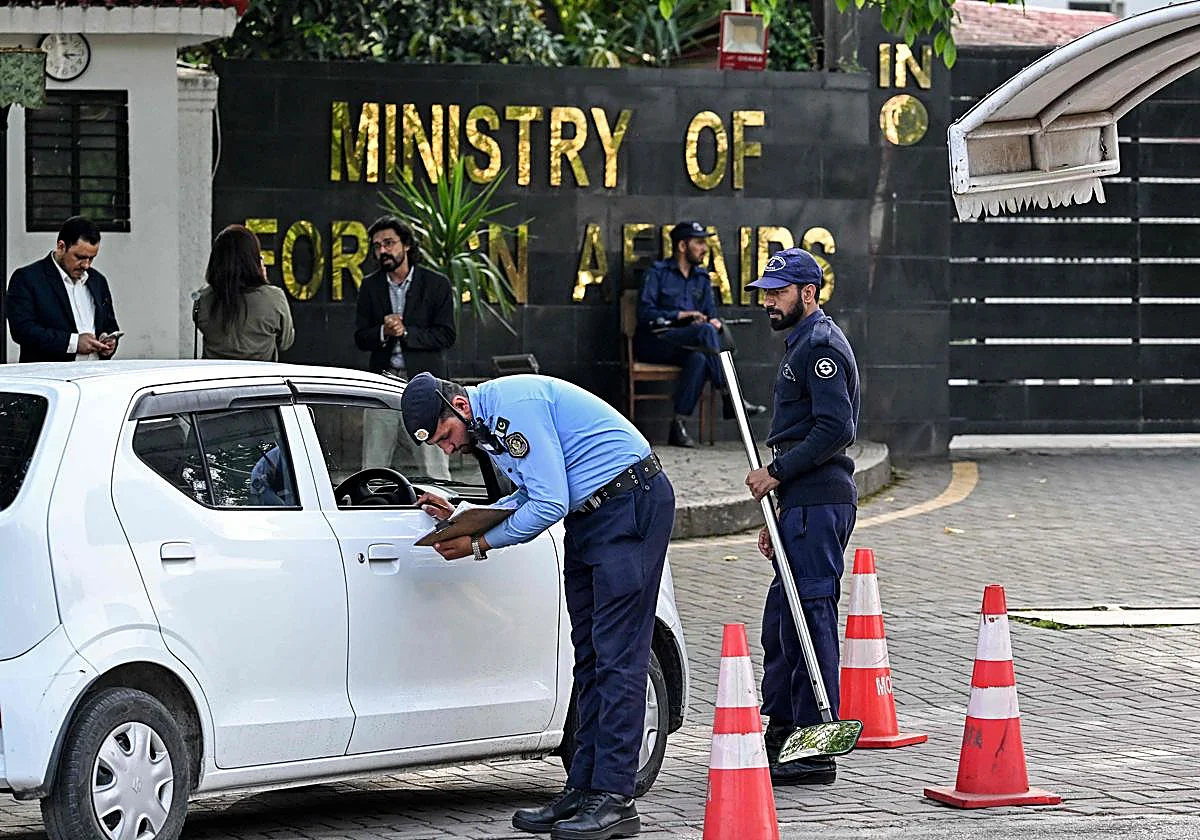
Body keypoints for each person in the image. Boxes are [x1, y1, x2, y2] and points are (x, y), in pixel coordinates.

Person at [401, 372, 674, 840]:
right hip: (591, 518)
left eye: (446, 436)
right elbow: (533, 492)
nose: (447, 450)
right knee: (588, 658)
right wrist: (464, 515)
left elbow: (549, 503)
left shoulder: (513, 408)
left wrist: (479, 543)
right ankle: (584, 787)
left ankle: (615, 799)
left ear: (459, 406)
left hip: (628, 505)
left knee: (618, 658)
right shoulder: (489, 426)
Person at [741, 248, 860, 787]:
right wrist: (779, 508)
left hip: (818, 499)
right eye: (766, 291)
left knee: (810, 622)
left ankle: (815, 750)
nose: (768, 300)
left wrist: (777, 473)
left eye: (778, 292)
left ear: (808, 293)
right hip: (800, 504)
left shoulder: (821, 347)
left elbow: (836, 428)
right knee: (784, 623)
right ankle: (785, 732)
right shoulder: (801, 343)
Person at [635, 220, 765, 448]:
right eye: (699, 243)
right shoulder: (657, 273)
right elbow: (645, 313)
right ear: (682, 246)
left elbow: (710, 313)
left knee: (700, 359)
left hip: (692, 345)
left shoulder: (701, 278)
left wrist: (713, 322)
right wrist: (681, 315)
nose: (704, 248)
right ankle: (729, 396)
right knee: (703, 333)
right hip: (658, 340)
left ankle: (679, 425)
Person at [355, 216, 455, 481]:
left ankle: (445, 510)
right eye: (377, 246)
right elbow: (360, 337)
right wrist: (383, 332)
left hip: (425, 384)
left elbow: (446, 335)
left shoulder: (436, 284)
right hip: (383, 380)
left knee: (434, 462)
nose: (382, 251)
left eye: (389, 243)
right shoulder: (370, 285)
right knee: (374, 460)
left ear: (407, 245)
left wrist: (406, 332)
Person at [6, 216, 120, 363]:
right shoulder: (27, 278)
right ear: (61, 247)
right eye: (80, 257)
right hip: (51, 378)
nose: (86, 265)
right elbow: (22, 330)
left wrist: (109, 342)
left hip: (94, 374)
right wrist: (73, 343)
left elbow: (109, 324)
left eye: (91, 258)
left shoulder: (98, 280)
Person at [194, 224, 294, 361]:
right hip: (261, 379)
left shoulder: (203, 299)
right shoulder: (274, 298)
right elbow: (285, 342)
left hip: (214, 379)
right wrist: (262, 282)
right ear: (254, 261)